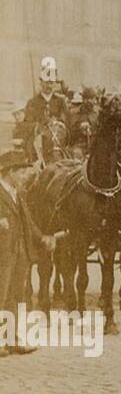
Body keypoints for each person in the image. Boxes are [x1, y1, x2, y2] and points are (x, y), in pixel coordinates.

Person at [0, 149, 40, 356]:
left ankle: (12, 340)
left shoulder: (18, 194)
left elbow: (28, 222)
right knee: (1, 295)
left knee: (15, 296)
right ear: (10, 173)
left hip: (19, 252)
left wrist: (42, 238)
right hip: (2, 254)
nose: (25, 176)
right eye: (22, 172)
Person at [20, 74, 71, 163]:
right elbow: (26, 124)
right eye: (46, 83)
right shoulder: (32, 102)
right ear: (41, 83)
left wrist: (57, 122)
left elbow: (66, 120)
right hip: (39, 141)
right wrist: (39, 125)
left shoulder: (60, 102)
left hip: (58, 139)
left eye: (51, 83)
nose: (49, 86)